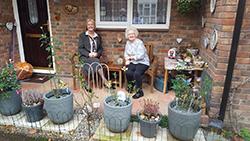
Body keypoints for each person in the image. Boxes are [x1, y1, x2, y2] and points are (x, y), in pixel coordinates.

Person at [78, 18, 108, 86]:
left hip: (95, 57)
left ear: (94, 26)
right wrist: (89, 54)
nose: (90, 26)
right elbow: (80, 49)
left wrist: (97, 54)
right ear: (86, 26)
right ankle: (104, 80)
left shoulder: (98, 36)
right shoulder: (82, 36)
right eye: (88, 24)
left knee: (94, 61)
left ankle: (85, 83)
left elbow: (100, 48)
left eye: (92, 24)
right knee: (96, 61)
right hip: (84, 57)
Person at [124, 26, 149, 99]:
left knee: (137, 73)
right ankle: (131, 86)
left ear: (135, 34)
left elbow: (141, 55)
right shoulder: (128, 42)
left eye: (132, 34)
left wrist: (131, 58)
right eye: (129, 34)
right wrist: (127, 59)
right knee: (128, 72)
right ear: (127, 36)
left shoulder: (139, 42)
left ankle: (139, 92)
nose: (131, 35)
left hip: (143, 62)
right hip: (133, 62)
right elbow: (126, 53)